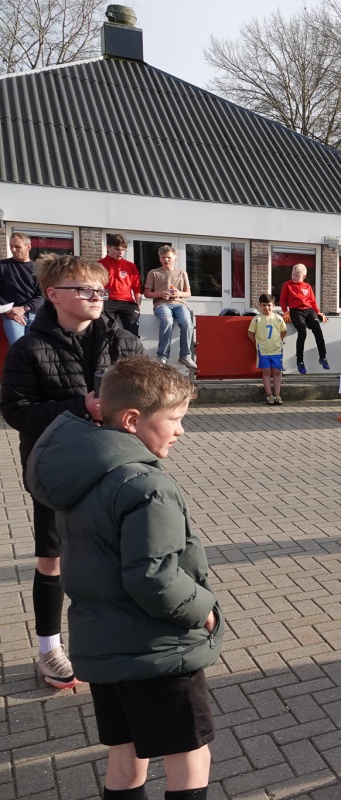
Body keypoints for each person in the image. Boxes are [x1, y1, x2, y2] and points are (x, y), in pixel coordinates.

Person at [27, 356, 222, 800]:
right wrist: (204, 610)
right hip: (157, 650)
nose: (181, 430)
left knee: (126, 755)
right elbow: (154, 577)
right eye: (174, 418)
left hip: (104, 646)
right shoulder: (145, 485)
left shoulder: (83, 473)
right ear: (133, 420)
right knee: (191, 757)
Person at [0, 254, 143, 690]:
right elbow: (16, 411)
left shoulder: (126, 343)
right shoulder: (28, 348)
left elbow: (148, 398)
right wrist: (81, 407)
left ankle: (114, 639)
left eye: (100, 289)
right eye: (84, 289)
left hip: (116, 464)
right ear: (53, 295)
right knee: (53, 559)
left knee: (120, 553)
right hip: (57, 470)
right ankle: (49, 647)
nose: (96, 296)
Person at [144, 245, 196, 369]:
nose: (166, 260)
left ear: (175, 258)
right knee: (167, 321)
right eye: (163, 257)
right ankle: (162, 356)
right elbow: (147, 293)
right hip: (161, 304)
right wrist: (160, 294)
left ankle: (185, 356)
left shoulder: (182, 273)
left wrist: (179, 294)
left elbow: (188, 293)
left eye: (169, 257)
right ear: (159, 258)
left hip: (179, 304)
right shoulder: (154, 273)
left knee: (187, 322)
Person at [277, 263, 328, 374]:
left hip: (309, 310)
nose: (294, 277)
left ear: (303, 276)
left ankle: (323, 357)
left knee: (318, 331)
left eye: (297, 275)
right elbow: (282, 300)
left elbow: (313, 301)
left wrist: (319, 313)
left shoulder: (307, 287)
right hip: (296, 311)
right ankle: (300, 360)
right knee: (302, 331)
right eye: (292, 274)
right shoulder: (287, 285)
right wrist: (285, 312)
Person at [0, 231, 45, 344]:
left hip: (34, 314)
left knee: (34, 348)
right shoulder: (2, 266)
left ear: (28, 247)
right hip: (12, 315)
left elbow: (42, 294)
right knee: (17, 346)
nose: (13, 250)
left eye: (17, 246)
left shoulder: (38, 269)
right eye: (11, 246)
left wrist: (24, 308)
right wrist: (8, 310)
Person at [100, 233, 142, 337]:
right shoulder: (99, 265)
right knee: (106, 332)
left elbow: (136, 287)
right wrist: (100, 302)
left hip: (127, 302)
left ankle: (134, 349)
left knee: (133, 333)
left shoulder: (130, 266)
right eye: (117, 249)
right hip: (107, 301)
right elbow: (95, 286)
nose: (121, 252)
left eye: (123, 250)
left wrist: (138, 304)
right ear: (108, 247)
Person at [247, 293, 286, 405]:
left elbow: (284, 331)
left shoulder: (278, 318)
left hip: (276, 350)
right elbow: (250, 333)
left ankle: (277, 395)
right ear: (260, 305)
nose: (266, 307)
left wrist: (278, 341)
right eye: (264, 305)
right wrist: (258, 343)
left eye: (269, 305)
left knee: (277, 372)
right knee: (267, 372)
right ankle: (269, 395)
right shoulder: (257, 319)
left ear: (273, 305)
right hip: (263, 351)